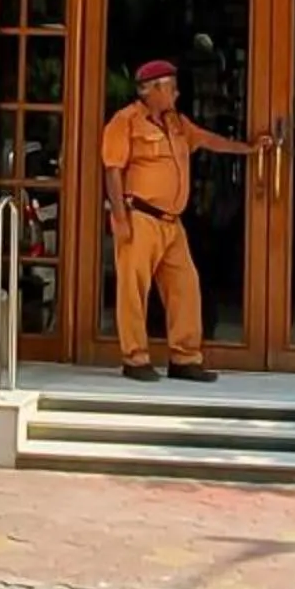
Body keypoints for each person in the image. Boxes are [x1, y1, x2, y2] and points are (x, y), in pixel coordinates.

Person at [100, 58, 261, 383]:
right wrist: (119, 217)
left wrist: (249, 150)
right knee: (133, 290)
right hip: (140, 216)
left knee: (185, 288)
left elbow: (207, 140)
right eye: (171, 88)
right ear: (154, 90)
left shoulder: (177, 123)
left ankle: (185, 358)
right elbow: (113, 170)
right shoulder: (125, 121)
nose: (176, 93)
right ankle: (135, 358)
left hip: (172, 223)